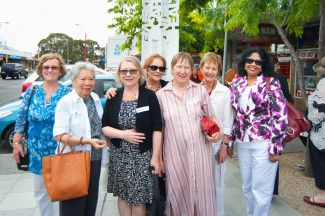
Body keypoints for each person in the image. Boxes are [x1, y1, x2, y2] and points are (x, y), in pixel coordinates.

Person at [156, 52, 222, 216]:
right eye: (179, 66)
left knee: (201, 196)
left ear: (192, 70)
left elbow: (212, 117)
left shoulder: (200, 91)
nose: (183, 71)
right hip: (175, 155)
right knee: (178, 194)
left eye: (187, 67)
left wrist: (218, 133)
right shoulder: (161, 95)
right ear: (172, 69)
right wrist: (158, 158)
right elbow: (160, 129)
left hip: (199, 154)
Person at [230, 47, 288, 216]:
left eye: (258, 62)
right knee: (247, 187)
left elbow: (280, 116)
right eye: (250, 60)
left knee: (261, 190)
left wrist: (276, 148)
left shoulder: (271, 83)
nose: (253, 64)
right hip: (243, 142)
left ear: (263, 66)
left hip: (264, 143)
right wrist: (232, 141)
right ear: (244, 62)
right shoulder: (237, 83)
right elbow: (236, 115)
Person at [102, 56, 163, 216]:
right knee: (123, 196)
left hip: (142, 156)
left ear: (139, 73)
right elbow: (105, 127)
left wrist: (155, 157)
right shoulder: (113, 96)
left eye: (132, 70)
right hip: (119, 155)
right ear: (119, 74)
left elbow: (157, 128)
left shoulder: (149, 96)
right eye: (124, 71)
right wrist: (123, 134)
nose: (128, 74)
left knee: (139, 198)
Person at [12, 53, 71, 216]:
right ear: (40, 70)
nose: (50, 70)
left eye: (54, 67)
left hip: (61, 151)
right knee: (41, 193)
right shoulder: (32, 91)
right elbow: (21, 118)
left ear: (60, 71)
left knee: (59, 194)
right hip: (37, 152)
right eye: (46, 67)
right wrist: (16, 144)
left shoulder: (68, 93)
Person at [53, 62, 107, 216]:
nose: (88, 83)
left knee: (91, 203)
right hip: (74, 159)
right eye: (83, 79)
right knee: (73, 207)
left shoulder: (95, 98)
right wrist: (86, 141)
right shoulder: (66, 102)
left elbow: (98, 126)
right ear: (74, 80)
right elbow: (59, 135)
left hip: (94, 158)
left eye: (91, 79)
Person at [199, 52, 234, 216]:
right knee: (199, 185)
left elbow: (228, 122)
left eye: (214, 68)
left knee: (217, 185)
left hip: (216, 145)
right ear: (201, 68)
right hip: (198, 145)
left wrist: (224, 147)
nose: (210, 71)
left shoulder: (225, 92)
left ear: (218, 71)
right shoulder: (194, 90)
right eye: (207, 67)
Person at [269, 54, 294, 197]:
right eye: (277, 64)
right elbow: (288, 99)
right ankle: (272, 191)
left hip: (260, 127)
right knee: (273, 157)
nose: (278, 67)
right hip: (277, 124)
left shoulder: (258, 78)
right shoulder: (280, 79)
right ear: (274, 64)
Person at [303, 76, 325, 207]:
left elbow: (321, 108)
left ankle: (322, 196)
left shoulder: (323, 83)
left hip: (321, 134)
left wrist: (310, 122)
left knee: (321, 163)